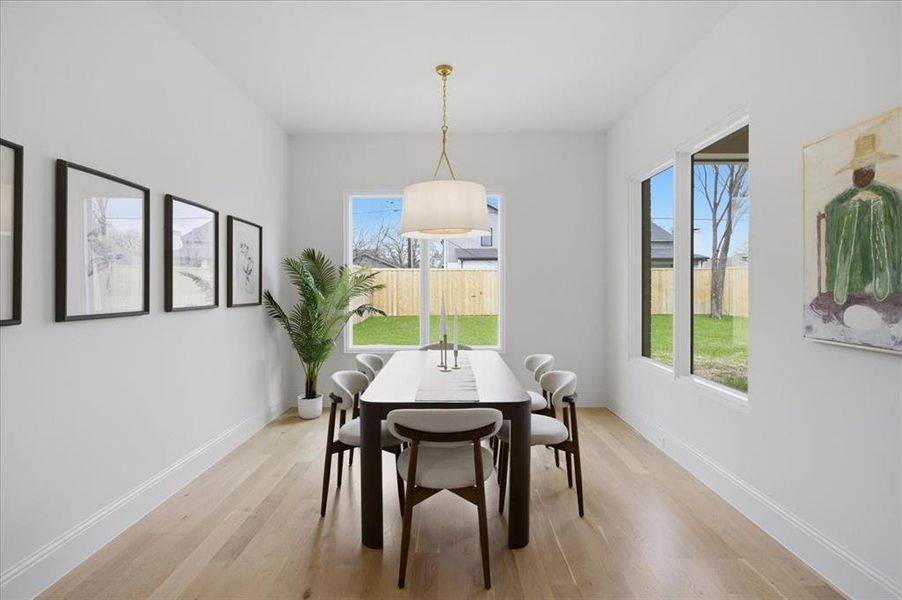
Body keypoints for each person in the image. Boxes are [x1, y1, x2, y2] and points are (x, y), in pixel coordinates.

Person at [824, 132, 902, 305]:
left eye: (865, 170)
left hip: (881, 287)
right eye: (858, 171)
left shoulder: (890, 195)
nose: (860, 175)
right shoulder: (844, 198)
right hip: (852, 284)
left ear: (872, 171)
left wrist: (877, 205)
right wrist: (852, 206)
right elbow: (832, 208)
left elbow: (895, 210)